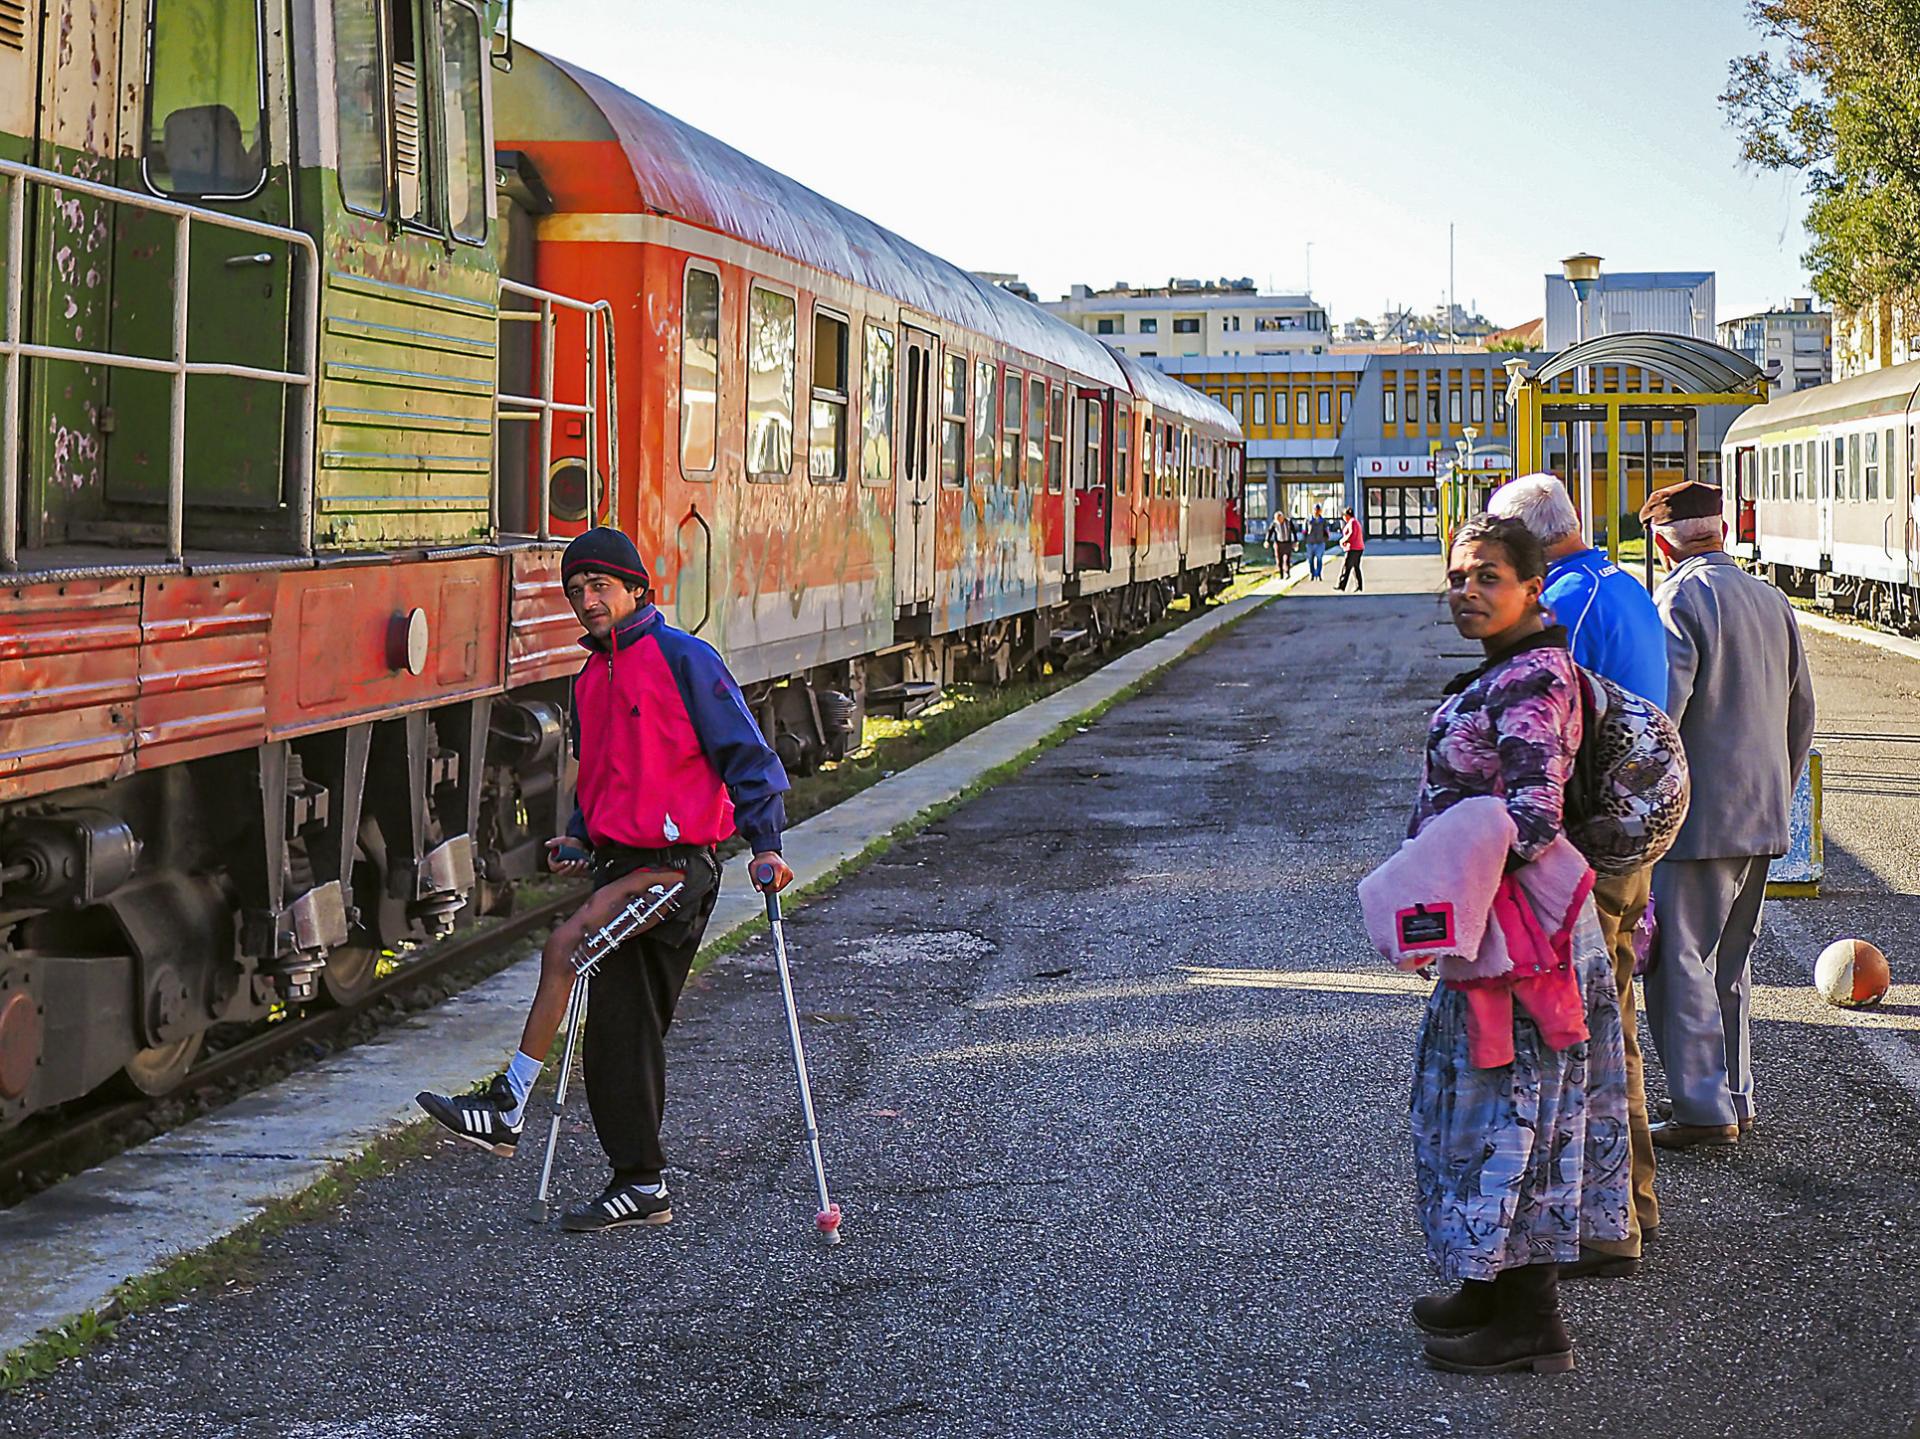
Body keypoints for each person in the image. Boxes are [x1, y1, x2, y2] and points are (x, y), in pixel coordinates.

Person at [415, 527, 794, 1232]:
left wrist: (765, 842)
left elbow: (747, 752)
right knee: (621, 1032)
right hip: (624, 863)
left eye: (599, 588)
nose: (586, 601)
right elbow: (602, 777)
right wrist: (581, 835)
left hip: (675, 871)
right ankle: (639, 1183)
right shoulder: (590, 678)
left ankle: (507, 1105)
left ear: (637, 589)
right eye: (574, 592)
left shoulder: (685, 659)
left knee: (565, 946)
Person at [1401, 513, 1630, 1375]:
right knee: (1476, 1111)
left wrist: (1433, 877)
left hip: (1522, 945)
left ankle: (1532, 1318)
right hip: (1495, 935)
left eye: (1487, 576)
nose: (1466, 590)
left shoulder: (1532, 680)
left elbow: (1533, 814)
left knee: (1517, 1119)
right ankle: (1487, 1283)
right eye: (1458, 576)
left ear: (1534, 588)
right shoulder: (1511, 667)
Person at [1487, 472, 1666, 1275]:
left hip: (1591, 840)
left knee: (1587, 1030)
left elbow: (1552, 732)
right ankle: (1630, 1204)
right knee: (1611, 1015)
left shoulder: (1566, 604)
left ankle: (1609, 1216)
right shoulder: (1623, 585)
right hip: (1628, 827)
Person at [1638, 481, 1814, 1150]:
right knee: (1732, 962)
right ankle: (1736, 1092)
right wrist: (1779, 788)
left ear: (1663, 541)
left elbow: (1665, 716)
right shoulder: (1772, 599)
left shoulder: (1679, 598)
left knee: (1678, 959)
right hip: (1763, 814)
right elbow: (1803, 711)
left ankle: (1703, 1109)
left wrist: (1648, 814)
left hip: (1700, 821)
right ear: (1721, 531)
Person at [1335, 507, 1365, 592]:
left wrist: (1343, 540)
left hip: (1353, 548)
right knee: (1356, 567)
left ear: (1347, 515)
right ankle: (1359, 586)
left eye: (1344, 516)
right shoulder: (1355, 522)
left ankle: (1342, 585)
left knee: (1346, 567)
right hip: (1358, 548)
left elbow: (1352, 534)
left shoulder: (1352, 522)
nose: (1343, 518)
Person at [1305, 505, 1330, 580]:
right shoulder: (1308, 520)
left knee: (1319, 558)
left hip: (1320, 542)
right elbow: (1304, 531)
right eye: (1315, 510)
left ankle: (1318, 574)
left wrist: (1326, 539)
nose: (1316, 511)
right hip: (1310, 542)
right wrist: (1305, 540)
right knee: (1310, 559)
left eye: (1318, 510)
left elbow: (1327, 530)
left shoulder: (1323, 520)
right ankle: (1312, 573)